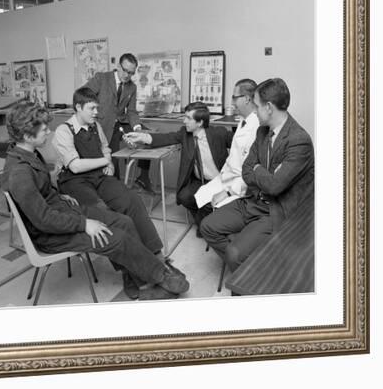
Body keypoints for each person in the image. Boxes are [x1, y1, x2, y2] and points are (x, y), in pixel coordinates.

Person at [2, 102, 189, 301]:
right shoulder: (19, 172)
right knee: (116, 237)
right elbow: (43, 220)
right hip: (50, 234)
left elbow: (41, 192)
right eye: (44, 130)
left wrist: (57, 194)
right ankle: (157, 278)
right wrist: (84, 224)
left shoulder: (29, 152)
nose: (49, 132)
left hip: (62, 211)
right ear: (27, 135)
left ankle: (138, 277)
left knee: (124, 222)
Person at [200, 78, 315, 273]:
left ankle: (249, 279)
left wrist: (258, 169)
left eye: (257, 106)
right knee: (208, 227)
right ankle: (250, 271)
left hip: (276, 209)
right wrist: (261, 172)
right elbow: (247, 169)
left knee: (235, 253)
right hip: (253, 200)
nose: (254, 110)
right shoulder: (262, 132)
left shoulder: (299, 140)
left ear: (269, 107)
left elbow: (275, 186)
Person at [124, 101, 232, 235]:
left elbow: (240, 145)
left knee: (211, 207)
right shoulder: (185, 134)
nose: (184, 121)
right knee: (184, 196)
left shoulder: (219, 133)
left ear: (200, 123)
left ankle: (205, 224)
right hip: (200, 181)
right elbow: (165, 138)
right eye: (184, 116)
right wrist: (141, 137)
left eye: (188, 118)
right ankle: (204, 222)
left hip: (220, 180)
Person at [85, 53, 153, 191]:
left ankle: (143, 178)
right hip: (102, 124)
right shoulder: (101, 78)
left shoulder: (132, 87)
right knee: (112, 159)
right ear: (118, 66)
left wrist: (138, 128)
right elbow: (83, 96)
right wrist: (92, 118)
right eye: (125, 70)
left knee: (149, 136)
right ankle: (114, 190)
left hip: (121, 122)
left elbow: (132, 111)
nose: (127, 75)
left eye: (131, 73)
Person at [210, 79, 259, 207]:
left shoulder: (257, 127)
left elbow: (250, 171)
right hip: (227, 179)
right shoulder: (243, 120)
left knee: (209, 214)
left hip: (239, 187)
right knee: (198, 198)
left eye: (234, 98)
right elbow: (233, 156)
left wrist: (228, 191)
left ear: (247, 99)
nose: (231, 103)